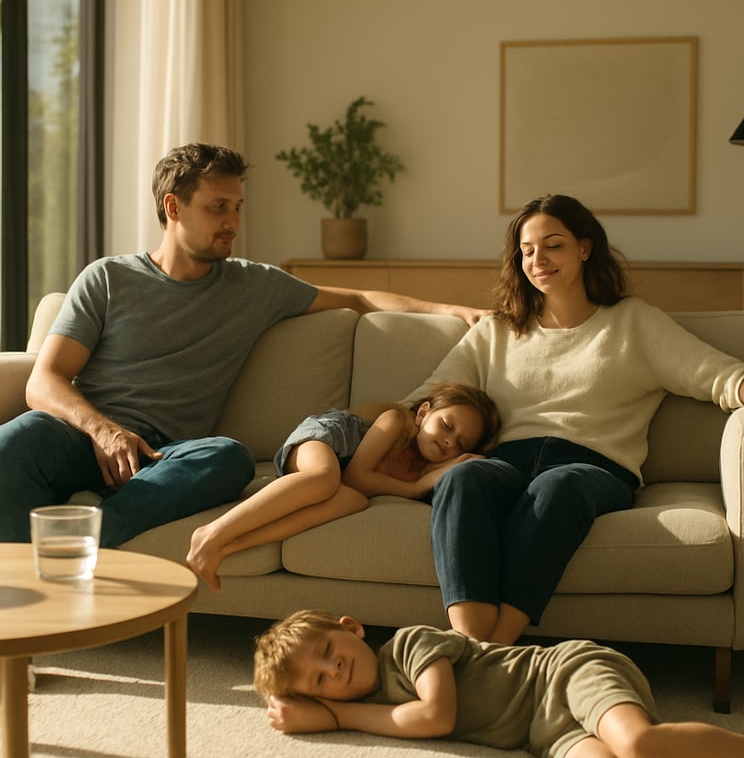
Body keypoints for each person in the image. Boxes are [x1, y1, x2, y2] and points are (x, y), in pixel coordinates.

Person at [0, 143, 486, 548]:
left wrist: (456, 311)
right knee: (19, 437)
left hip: (168, 456)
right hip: (86, 438)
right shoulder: (108, 278)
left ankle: (95, 543)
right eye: (218, 208)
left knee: (228, 457)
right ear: (173, 207)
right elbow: (45, 381)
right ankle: (20, 595)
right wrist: (104, 432)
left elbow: (359, 297)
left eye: (237, 208)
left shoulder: (254, 286)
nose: (232, 221)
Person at [403, 193, 744, 648]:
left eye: (552, 245)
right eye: (528, 250)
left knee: (557, 486)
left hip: (592, 470)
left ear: (585, 248)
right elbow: (421, 401)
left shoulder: (634, 323)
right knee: (464, 476)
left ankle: (493, 650)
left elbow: (723, 378)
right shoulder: (497, 330)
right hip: (507, 464)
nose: (538, 259)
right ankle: (471, 641)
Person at [253, 610, 744, 758]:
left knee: (636, 744)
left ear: (351, 628)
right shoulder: (379, 707)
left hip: (564, 675)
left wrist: (335, 716)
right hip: (545, 736)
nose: (335, 669)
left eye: (328, 652)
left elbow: (437, 717)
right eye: (320, 680)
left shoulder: (409, 645)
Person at [186, 382, 501, 592]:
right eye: (447, 426)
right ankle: (213, 532)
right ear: (423, 413)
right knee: (325, 477)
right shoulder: (394, 420)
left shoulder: (424, 467)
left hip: (340, 475)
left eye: (460, 443)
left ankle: (229, 547)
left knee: (352, 502)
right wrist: (416, 487)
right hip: (325, 439)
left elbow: (355, 489)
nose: (449, 440)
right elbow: (357, 476)